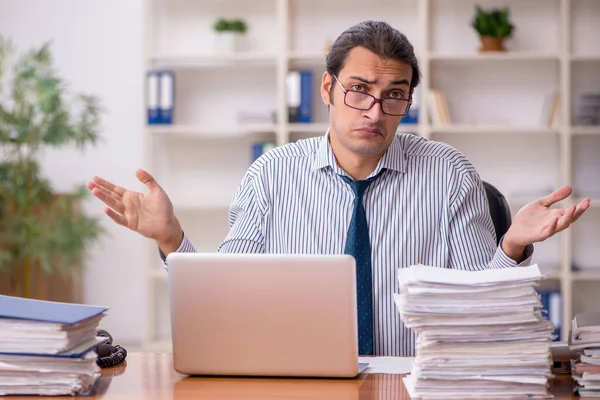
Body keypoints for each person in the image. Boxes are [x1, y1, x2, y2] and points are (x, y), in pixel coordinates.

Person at [87, 21, 590, 357]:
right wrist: (173, 240)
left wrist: (513, 246)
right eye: (359, 90)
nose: (374, 111)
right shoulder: (271, 173)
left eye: (394, 96)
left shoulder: (449, 173)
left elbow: (480, 309)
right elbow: (228, 296)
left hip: (415, 381)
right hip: (299, 382)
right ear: (328, 89)